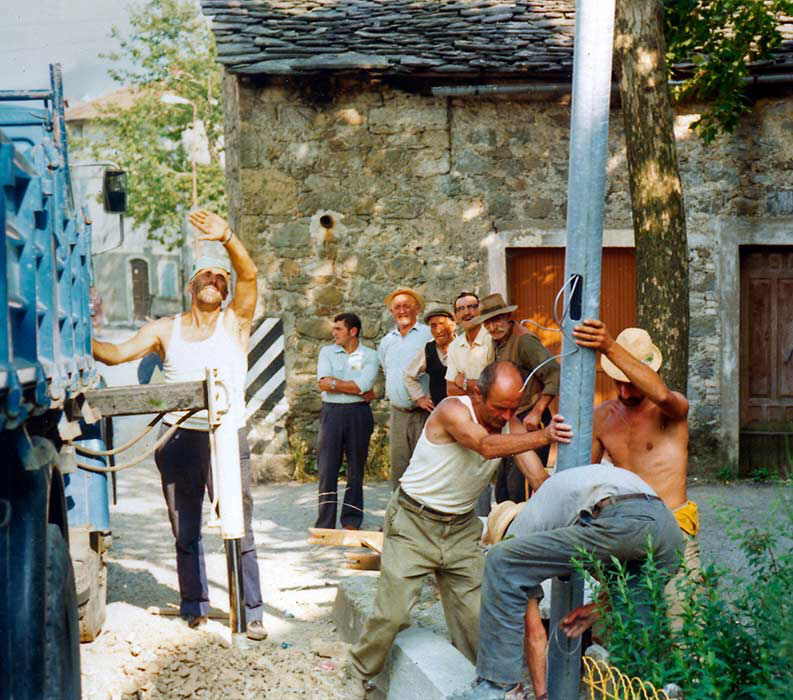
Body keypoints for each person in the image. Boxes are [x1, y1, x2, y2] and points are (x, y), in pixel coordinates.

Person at [347, 362, 573, 698]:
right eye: (499, 407)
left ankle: (490, 682)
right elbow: (484, 445)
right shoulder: (452, 410)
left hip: (461, 530)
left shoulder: (508, 424)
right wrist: (543, 435)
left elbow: (538, 478)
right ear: (477, 393)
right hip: (413, 522)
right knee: (392, 613)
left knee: (479, 616)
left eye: (513, 409)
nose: (505, 416)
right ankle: (359, 671)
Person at [92, 209, 267, 641]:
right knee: (185, 528)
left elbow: (249, 276)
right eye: (206, 276)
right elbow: (115, 355)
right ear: (191, 286)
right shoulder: (164, 330)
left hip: (227, 436)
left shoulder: (235, 322)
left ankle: (251, 612)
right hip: (178, 438)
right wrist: (78, 336)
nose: (214, 281)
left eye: (220, 279)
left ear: (226, 291)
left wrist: (227, 237)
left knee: (239, 525)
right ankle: (194, 606)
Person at [455, 464, 684, 700]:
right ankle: (660, 688)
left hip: (622, 521)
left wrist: (541, 695)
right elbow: (626, 575)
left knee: (500, 559)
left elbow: (535, 635)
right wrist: (599, 608)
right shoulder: (559, 506)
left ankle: (499, 687)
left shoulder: (520, 530)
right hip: (669, 532)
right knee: (637, 631)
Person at [572, 319, 699, 618]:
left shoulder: (672, 410)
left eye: (631, 382)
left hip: (674, 528)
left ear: (651, 373)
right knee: (617, 629)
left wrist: (608, 345)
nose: (625, 392)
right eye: (618, 382)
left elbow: (663, 395)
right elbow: (585, 479)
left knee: (685, 626)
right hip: (627, 532)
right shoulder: (603, 416)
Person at [471, 293, 560, 503]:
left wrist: (537, 411)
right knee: (504, 490)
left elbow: (555, 374)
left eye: (496, 320)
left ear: (507, 317)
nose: (492, 327)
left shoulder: (524, 341)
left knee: (522, 489)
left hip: (530, 418)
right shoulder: (497, 341)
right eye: (487, 323)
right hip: (510, 419)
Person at [314, 312, 379, 530]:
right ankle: (325, 522)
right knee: (327, 468)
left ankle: (351, 519)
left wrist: (336, 384)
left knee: (356, 468)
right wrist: (355, 388)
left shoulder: (370, 355)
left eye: (338, 329)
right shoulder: (327, 352)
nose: (333, 333)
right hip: (331, 413)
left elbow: (365, 385)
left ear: (353, 331)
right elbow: (323, 383)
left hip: (358, 414)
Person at [378, 287, 432, 489]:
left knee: (426, 466)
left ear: (417, 309)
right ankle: (399, 507)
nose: (402, 311)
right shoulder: (386, 342)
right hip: (398, 413)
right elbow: (387, 371)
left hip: (424, 413)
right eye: (397, 307)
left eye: (407, 306)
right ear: (392, 312)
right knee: (399, 468)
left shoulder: (428, 335)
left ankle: (426, 508)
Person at [403, 302, 456, 412]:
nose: (438, 330)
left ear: (453, 325)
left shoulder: (463, 346)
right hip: (438, 412)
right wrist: (419, 398)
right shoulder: (428, 349)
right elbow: (408, 374)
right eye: (433, 326)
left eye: (442, 324)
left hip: (462, 410)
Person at [446, 291, 493, 398]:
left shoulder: (492, 339)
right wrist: (477, 395)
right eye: (460, 309)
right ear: (456, 317)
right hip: (467, 407)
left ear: (480, 311)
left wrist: (464, 383)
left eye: (472, 307)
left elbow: (494, 386)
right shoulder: (454, 346)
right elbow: (450, 390)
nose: (466, 312)